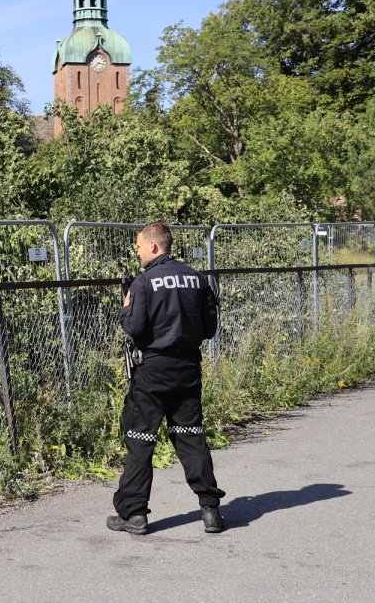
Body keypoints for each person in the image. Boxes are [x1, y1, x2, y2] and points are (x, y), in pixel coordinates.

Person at [107, 222, 226, 535]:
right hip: (188, 368)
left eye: (139, 247)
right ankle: (211, 510)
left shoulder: (144, 282)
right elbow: (209, 328)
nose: (138, 252)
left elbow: (134, 328)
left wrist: (125, 309)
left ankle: (134, 514)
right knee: (191, 436)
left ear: (154, 246)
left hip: (153, 371)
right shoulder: (197, 278)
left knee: (140, 440)